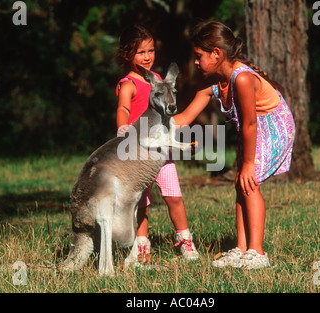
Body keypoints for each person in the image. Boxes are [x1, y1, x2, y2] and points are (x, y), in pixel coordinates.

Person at [173, 21, 295, 269]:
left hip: (274, 126)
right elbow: (184, 119)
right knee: (241, 185)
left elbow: (250, 123)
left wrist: (249, 163)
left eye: (199, 56)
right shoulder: (213, 83)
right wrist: (142, 128)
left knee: (249, 184)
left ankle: (258, 253)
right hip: (252, 130)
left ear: (216, 53)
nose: (196, 62)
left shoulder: (242, 79)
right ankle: (241, 249)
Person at [115, 24, 199, 266]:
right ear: (126, 54)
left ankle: (184, 239)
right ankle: (142, 244)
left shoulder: (159, 80)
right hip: (140, 151)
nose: (147, 57)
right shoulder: (128, 83)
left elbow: (167, 114)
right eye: (141, 52)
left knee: (173, 195)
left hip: (162, 150)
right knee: (142, 200)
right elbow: (123, 109)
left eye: (150, 51)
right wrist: (123, 129)